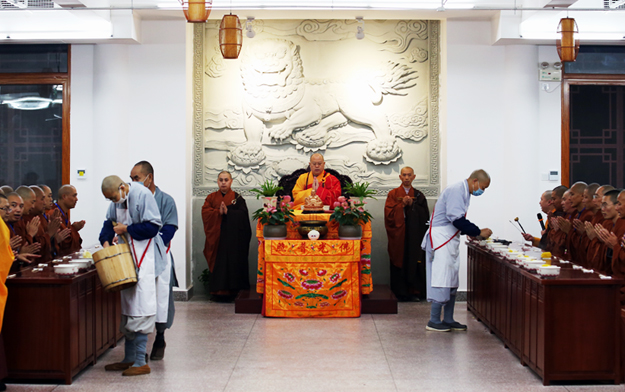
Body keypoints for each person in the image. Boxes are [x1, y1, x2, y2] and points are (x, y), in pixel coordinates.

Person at [99, 175, 166, 376]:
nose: (114, 202)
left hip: (145, 259)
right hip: (126, 260)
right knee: (128, 306)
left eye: (114, 197)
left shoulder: (143, 194)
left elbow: (153, 227)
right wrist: (105, 241)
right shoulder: (115, 202)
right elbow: (108, 224)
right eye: (110, 200)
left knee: (141, 306)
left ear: (122, 187)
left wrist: (126, 229)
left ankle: (140, 361)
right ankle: (128, 358)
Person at [421, 169, 493, 332]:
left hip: (449, 239)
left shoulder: (464, 191)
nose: (482, 191)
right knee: (441, 278)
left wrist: (472, 232)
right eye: (483, 187)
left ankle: (448, 318)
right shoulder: (456, 190)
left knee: (451, 279)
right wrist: (477, 231)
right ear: (475, 181)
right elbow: (456, 219)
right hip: (440, 240)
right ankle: (433, 320)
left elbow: (458, 221)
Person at [130, 161, 178, 361]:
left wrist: (149, 241)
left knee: (160, 298)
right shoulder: (131, 200)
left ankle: (160, 337)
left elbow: (169, 229)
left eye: (136, 178)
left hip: (158, 256)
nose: (133, 183)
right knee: (138, 299)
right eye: (131, 179)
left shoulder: (166, 200)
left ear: (149, 177)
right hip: (137, 257)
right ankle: (138, 342)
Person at [201, 171, 251, 300]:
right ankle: (217, 293)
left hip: (234, 239)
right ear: (217, 181)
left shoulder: (238, 198)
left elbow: (243, 216)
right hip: (217, 238)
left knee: (234, 263)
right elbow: (206, 213)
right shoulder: (211, 198)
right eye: (221, 180)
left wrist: (229, 212)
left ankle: (235, 292)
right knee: (219, 264)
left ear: (231, 181)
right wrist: (218, 212)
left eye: (226, 180)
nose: (223, 182)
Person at [384, 167, 430, 301]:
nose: (407, 178)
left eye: (409, 175)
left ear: (414, 177)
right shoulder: (393, 194)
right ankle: (399, 292)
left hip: (414, 236)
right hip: (399, 235)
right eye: (404, 175)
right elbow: (389, 215)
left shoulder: (419, 195)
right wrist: (401, 206)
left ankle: (414, 292)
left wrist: (413, 205)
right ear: (400, 177)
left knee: (414, 260)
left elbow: (425, 216)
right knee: (399, 260)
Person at [587, 189, 625, 274]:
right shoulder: (608, 224)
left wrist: (615, 246)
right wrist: (598, 240)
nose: (617, 208)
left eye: (619, 204)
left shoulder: (622, 226)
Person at [48, 185, 85, 257]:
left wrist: (72, 228)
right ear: (64, 196)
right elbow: (66, 240)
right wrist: (73, 229)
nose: (76, 199)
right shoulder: (54, 213)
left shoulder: (64, 213)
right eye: (74, 196)